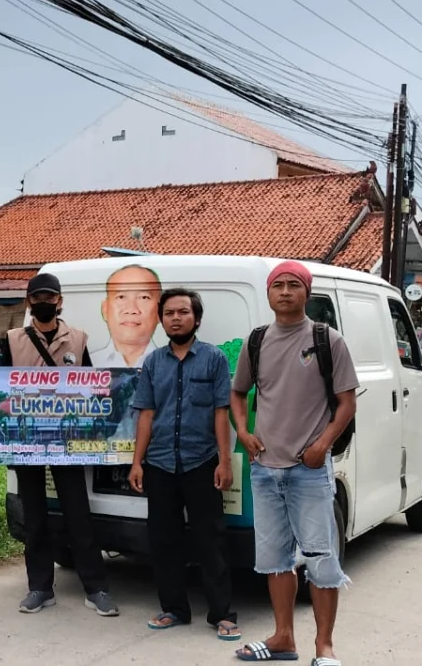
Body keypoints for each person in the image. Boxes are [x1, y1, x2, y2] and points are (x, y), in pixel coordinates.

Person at [229, 261, 357, 665]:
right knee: (273, 561)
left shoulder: (326, 339)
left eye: (293, 285)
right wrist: (244, 434)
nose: (285, 292)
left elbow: (347, 403)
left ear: (306, 292)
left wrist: (322, 444)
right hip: (265, 470)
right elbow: (237, 395)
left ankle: (325, 648)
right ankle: (284, 638)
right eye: (278, 286)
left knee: (321, 559)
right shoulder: (257, 341)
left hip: (309, 470)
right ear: (268, 294)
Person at [127, 288, 240, 640]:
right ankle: (174, 608)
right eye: (169, 313)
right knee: (164, 540)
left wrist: (224, 461)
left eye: (183, 312)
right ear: (161, 321)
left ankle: (222, 614)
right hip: (159, 464)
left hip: (201, 462)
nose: (176, 318)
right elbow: (146, 414)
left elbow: (221, 414)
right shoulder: (153, 363)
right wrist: (137, 463)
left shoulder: (214, 360)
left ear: (197, 319)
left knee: (211, 540)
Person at [3, 273, 119, 617]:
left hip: (68, 442)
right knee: (34, 516)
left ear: (60, 301)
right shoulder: (11, 340)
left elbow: (92, 389)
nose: (44, 302)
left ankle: (96, 588)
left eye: (49, 297)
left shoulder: (79, 339)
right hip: (27, 441)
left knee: (78, 514)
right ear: (28, 302)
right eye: (37, 297)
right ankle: (39, 587)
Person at [90, 264, 163, 368]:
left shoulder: (172, 366)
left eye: (144, 297)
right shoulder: (87, 366)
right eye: (121, 297)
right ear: (105, 309)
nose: (131, 309)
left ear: (160, 311)